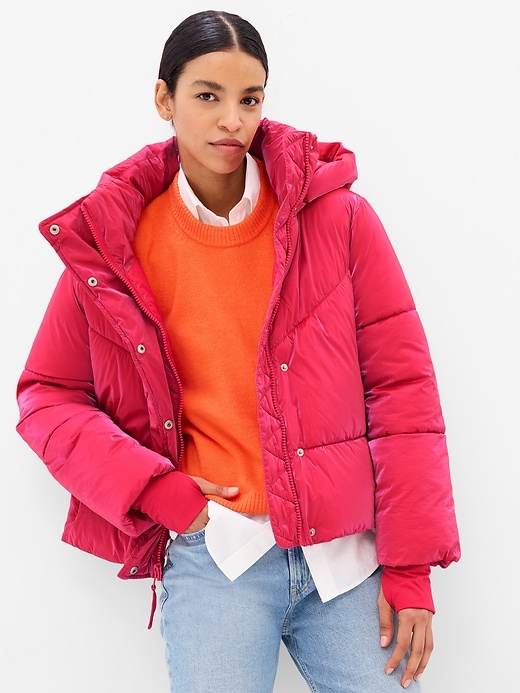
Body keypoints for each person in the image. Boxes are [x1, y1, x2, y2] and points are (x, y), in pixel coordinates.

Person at [16, 9, 460, 693]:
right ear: (164, 99)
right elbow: (47, 396)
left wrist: (409, 567)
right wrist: (154, 488)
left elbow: (402, 391)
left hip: (344, 558)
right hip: (215, 554)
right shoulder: (116, 245)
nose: (232, 120)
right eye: (208, 95)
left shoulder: (338, 219)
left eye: (250, 99)